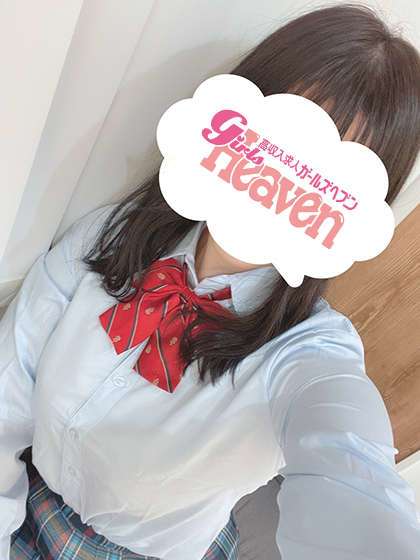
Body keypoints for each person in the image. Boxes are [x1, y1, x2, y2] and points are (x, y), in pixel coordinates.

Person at [3, 4, 420, 560]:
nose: (281, 185)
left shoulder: (311, 355)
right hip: (24, 491)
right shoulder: (108, 235)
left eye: (322, 178)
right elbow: (7, 389)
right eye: (276, 146)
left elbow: (350, 466)